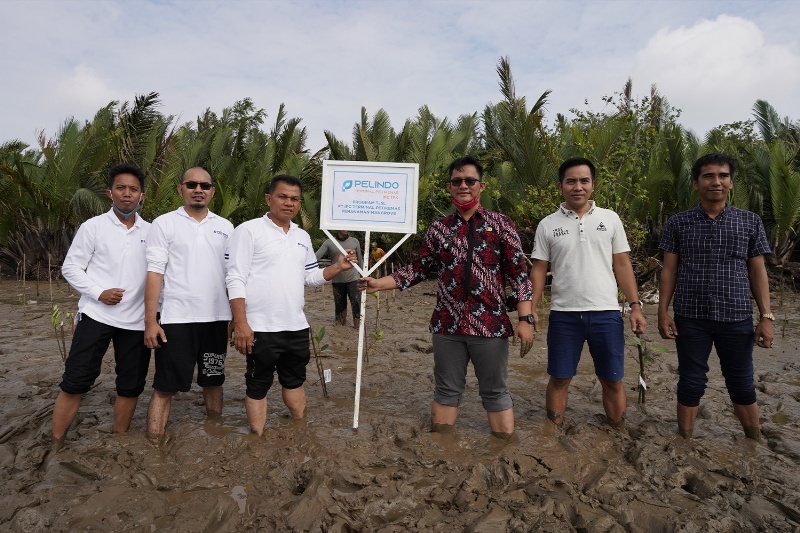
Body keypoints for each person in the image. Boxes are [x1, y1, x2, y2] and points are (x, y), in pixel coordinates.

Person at [359, 155, 533, 437]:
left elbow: (518, 274)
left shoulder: (501, 224)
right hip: (447, 325)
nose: (463, 186)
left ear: (482, 186)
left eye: (469, 181)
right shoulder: (439, 229)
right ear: (449, 187)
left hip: (490, 325)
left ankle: (503, 445)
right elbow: (419, 268)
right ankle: (441, 447)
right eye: (456, 181)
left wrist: (526, 319)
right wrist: (379, 284)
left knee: (495, 390)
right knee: (446, 390)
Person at [226, 175, 357, 436]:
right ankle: (258, 440)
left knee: (295, 381)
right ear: (269, 198)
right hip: (260, 327)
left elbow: (309, 277)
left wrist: (337, 267)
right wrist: (241, 324)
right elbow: (235, 278)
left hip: (296, 326)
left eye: (294, 199)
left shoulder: (302, 236)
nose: (289, 203)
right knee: (257, 385)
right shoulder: (248, 231)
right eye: (283, 197)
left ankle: (299, 431)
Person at [658, 153, 773, 441]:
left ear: (731, 183)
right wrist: (662, 312)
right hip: (690, 317)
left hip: (736, 317)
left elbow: (758, 271)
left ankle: (753, 439)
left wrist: (766, 317)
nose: (716, 181)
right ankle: (684, 438)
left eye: (722, 176)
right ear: (696, 183)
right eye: (708, 176)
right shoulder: (679, 223)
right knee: (691, 381)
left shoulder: (750, 221)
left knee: (741, 382)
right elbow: (669, 271)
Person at [529, 157, 646, 430]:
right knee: (559, 378)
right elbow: (538, 270)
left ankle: (617, 430)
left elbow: (622, 264)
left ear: (593, 185)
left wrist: (636, 306)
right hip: (563, 315)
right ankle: (554, 430)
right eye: (571, 181)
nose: (577, 186)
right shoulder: (547, 224)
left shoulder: (610, 219)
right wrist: (530, 310)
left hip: (606, 313)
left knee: (612, 379)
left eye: (584, 181)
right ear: (561, 186)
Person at [53, 163, 151, 448]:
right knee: (76, 380)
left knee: (131, 385)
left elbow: (160, 275)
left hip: (136, 321)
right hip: (97, 315)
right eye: (120, 188)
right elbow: (71, 267)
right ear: (110, 192)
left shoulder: (153, 231)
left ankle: (119, 438)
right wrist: (98, 292)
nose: (127, 194)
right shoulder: (93, 227)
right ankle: (56, 442)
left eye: (133, 189)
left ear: (141, 196)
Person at [143, 167, 233, 441]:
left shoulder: (226, 227)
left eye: (205, 186)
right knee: (165, 386)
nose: (198, 190)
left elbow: (234, 275)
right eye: (192, 184)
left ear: (212, 192)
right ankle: (154, 440)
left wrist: (236, 319)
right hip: (177, 320)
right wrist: (150, 322)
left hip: (217, 320)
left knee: (213, 379)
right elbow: (154, 273)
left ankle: (214, 431)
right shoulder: (164, 224)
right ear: (180, 188)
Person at [315, 230, 363, 327]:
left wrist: (363, 276)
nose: (345, 228)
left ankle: (358, 327)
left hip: (353, 278)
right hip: (337, 280)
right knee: (340, 306)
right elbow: (315, 258)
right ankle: (340, 328)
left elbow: (360, 260)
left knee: (357, 303)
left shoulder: (355, 241)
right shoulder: (329, 242)